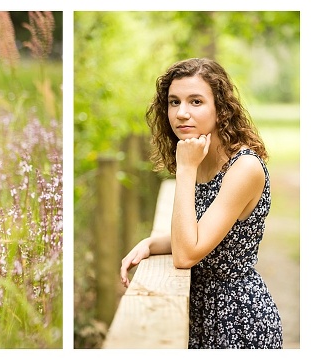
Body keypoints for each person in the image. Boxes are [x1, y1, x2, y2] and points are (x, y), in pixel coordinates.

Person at [118, 58, 282, 349]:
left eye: (196, 102)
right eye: (173, 102)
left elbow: (186, 255)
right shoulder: (201, 157)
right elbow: (199, 235)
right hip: (200, 311)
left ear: (220, 109)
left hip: (236, 319)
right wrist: (151, 244)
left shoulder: (243, 168)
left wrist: (185, 170)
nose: (181, 113)